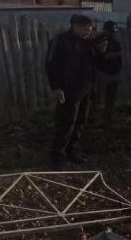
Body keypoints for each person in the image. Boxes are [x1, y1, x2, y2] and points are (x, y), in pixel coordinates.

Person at [45, 14, 107, 169]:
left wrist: (100, 51)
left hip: (86, 89)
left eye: (90, 30)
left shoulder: (88, 43)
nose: (88, 33)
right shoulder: (60, 41)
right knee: (65, 122)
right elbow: (50, 65)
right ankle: (57, 155)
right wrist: (56, 87)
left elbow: (96, 64)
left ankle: (71, 151)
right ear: (75, 26)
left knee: (80, 122)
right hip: (68, 89)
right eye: (85, 30)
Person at [92, 21, 122, 126]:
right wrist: (104, 56)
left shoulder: (115, 40)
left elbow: (119, 54)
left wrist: (115, 58)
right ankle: (94, 119)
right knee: (97, 97)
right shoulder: (99, 39)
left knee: (111, 99)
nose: (111, 33)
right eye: (110, 30)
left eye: (113, 31)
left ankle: (108, 120)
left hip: (113, 72)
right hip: (102, 71)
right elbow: (94, 54)